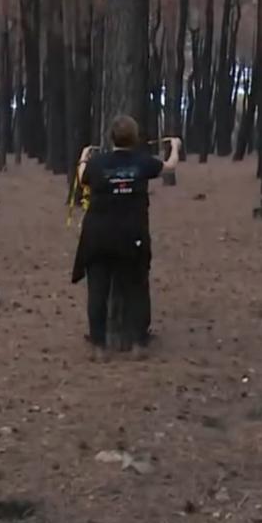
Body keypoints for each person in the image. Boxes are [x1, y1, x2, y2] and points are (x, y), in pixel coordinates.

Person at [71, 114, 180, 350]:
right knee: (136, 288)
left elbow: (82, 179)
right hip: (132, 236)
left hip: (97, 236)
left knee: (97, 290)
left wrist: (83, 157)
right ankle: (139, 342)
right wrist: (175, 148)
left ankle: (98, 345)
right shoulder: (143, 162)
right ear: (136, 137)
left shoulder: (97, 163)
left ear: (111, 137)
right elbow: (170, 167)